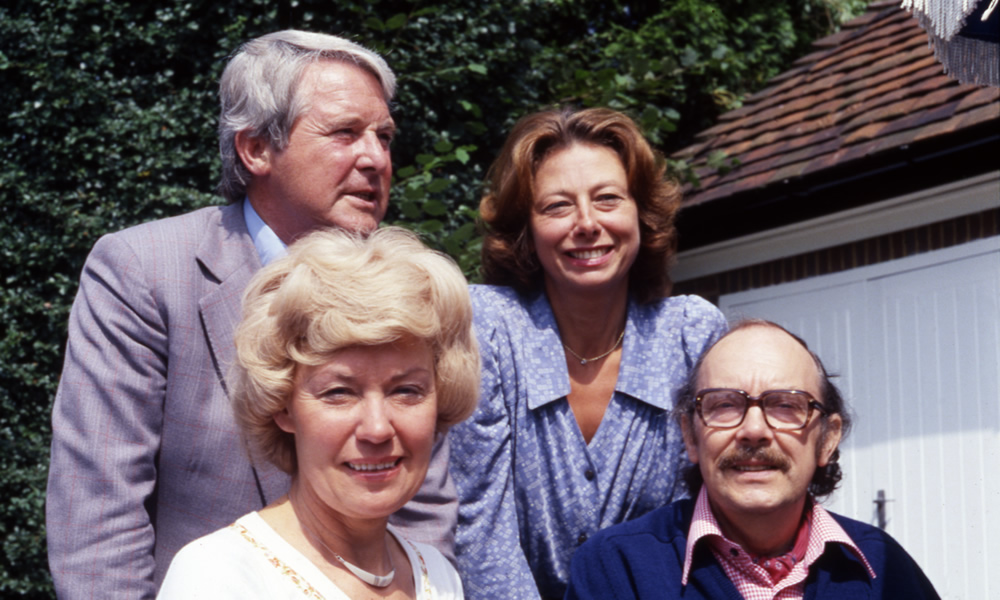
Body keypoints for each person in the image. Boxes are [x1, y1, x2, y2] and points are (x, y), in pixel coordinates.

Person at [46, 30, 457, 600]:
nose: (376, 157)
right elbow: (98, 516)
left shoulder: (410, 284)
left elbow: (424, 501)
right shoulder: (143, 271)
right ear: (255, 149)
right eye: (345, 133)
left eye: (384, 135)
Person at [448, 107, 728, 599]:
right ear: (527, 229)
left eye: (607, 199)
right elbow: (480, 525)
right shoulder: (488, 327)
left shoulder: (690, 335)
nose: (587, 223)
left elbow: (701, 521)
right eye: (557, 206)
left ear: (640, 212)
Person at [157, 227, 478, 599]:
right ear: (282, 406)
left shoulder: (436, 575)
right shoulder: (219, 577)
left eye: (406, 391)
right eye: (339, 393)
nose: (376, 428)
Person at [565, 319, 941, 599]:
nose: (754, 430)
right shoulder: (615, 568)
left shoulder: (883, 568)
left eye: (786, 405)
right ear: (690, 437)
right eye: (725, 404)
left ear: (827, 439)